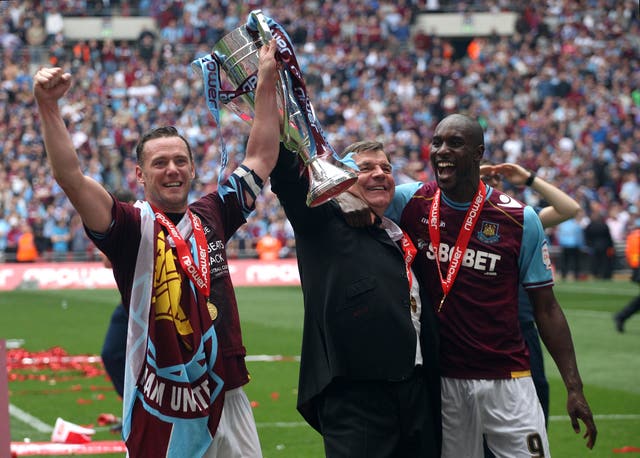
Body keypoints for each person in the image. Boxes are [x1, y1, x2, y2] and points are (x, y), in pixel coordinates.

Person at [33, 39, 280, 458]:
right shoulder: (131, 227)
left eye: (180, 160)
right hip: (166, 398)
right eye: (160, 163)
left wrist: (268, 79)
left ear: (193, 167)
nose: (172, 169)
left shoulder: (213, 213)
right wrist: (48, 106)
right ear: (140, 175)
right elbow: (70, 177)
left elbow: (261, 155)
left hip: (228, 387)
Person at [386, 114, 596, 457]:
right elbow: (356, 194)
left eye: (455, 143)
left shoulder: (519, 219)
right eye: (437, 142)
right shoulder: (409, 202)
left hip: (509, 379)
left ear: (478, 153)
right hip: (445, 383)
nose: (441, 150)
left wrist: (574, 387)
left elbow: (547, 308)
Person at [270, 141, 441, 457]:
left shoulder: (398, 234)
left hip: (416, 392)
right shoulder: (323, 224)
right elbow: (287, 175)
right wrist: (339, 195)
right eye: (366, 168)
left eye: (386, 169)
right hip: (357, 396)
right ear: (343, 178)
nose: (380, 174)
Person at [479, 161, 580, 426]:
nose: (492, 182)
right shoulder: (452, 218)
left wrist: (528, 179)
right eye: (484, 178)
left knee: (532, 417)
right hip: (473, 332)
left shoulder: (518, 219)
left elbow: (569, 209)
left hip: (520, 330)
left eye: (495, 179)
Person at [100, 188, 136, 403]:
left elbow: (106, 260)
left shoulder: (140, 222)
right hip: (129, 301)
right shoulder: (123, 225)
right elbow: (106, 261)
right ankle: (133, 407)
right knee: (112, 354)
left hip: (151, 302)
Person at [614, 219, 640, 333]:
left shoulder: (633, 235)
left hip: (636, 268)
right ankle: (621, 316)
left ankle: (621, 316)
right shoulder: (637, 236)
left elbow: (629, 253)